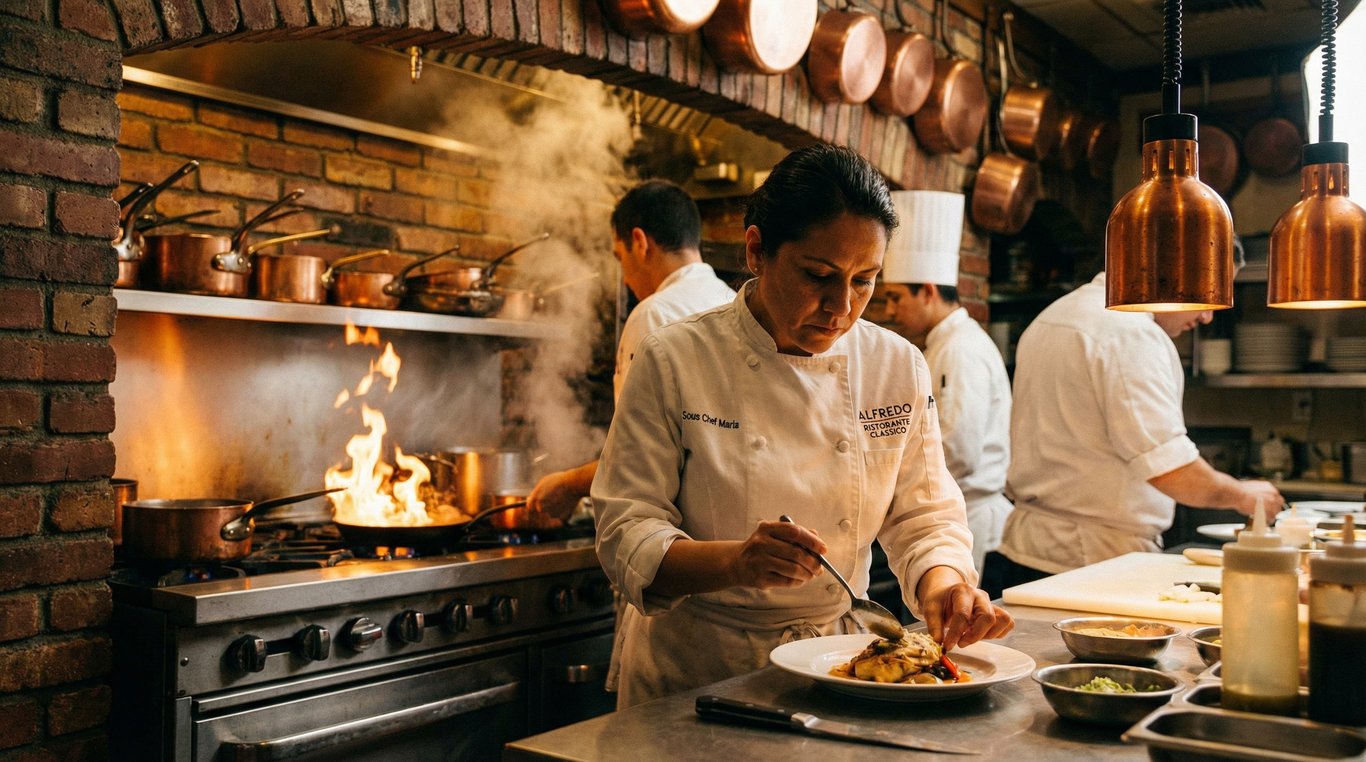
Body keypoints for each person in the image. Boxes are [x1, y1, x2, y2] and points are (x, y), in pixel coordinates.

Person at [593, 144, 1014, 708]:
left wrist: (946, 585)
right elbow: (626, 528)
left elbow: (925, 515)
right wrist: (735, 563)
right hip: (698, 671)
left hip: (839, 664)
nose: (841, 307)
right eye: (818, 275)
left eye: (865, 281)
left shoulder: (896, 365)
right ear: (756, 250)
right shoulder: (674, 358)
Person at [984, 259, 1283, 596]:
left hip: (1027, 550)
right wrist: (1242, 495)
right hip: (1090, 563)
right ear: (1176, 268)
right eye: (1211, 295)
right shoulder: (1128, 332)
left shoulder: (1053, 315)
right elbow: (1171, 470)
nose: (1207, 317)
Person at [526, 179, 735, 519]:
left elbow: (633, 454)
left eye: (619, 257)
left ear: (639, 242)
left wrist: (567, 484)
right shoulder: (733, 302)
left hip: (676, 532)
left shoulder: (654, 313)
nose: (624, 278)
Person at [881, 191, 1013, 575]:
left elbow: (958, 451)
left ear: (928, 291)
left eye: (895, 298)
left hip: (968, 522)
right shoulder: (943, 345)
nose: (889, 311)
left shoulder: (960, 350)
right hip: (955, 516)